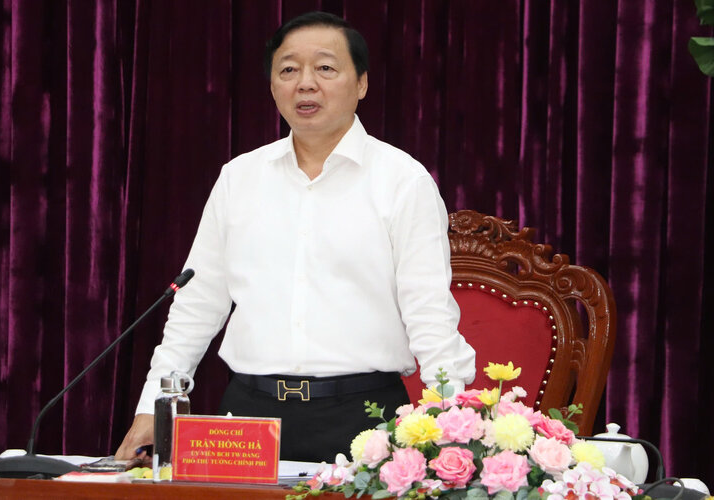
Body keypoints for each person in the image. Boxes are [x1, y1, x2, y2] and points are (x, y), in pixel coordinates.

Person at [116, 11, 476, 463]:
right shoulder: (239, 178)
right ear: (272, 86)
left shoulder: (402, 180)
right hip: (246, 420)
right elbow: (197, 304)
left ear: (361, 83)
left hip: (367, 419)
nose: (305, 83)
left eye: (325, 68)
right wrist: (154, 406)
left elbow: (429, 312)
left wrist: (453, 418)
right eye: (288, 70)